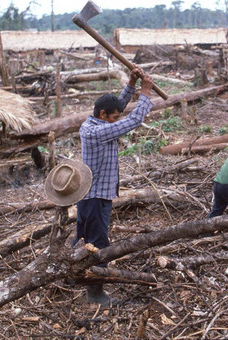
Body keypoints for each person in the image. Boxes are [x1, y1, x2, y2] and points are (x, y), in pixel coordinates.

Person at [76, 65, 154, 306]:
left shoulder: (98, 124)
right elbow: (133, 120)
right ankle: (95, 293)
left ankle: (71, 274)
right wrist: (145, 93)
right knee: (97, 245)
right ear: (102, 115)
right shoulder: (95, 132)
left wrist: (131, 84)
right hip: (94, 198)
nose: (116, 119)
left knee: (85, 239)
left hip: (96, 196)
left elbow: (117, 110)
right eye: (113, 117)